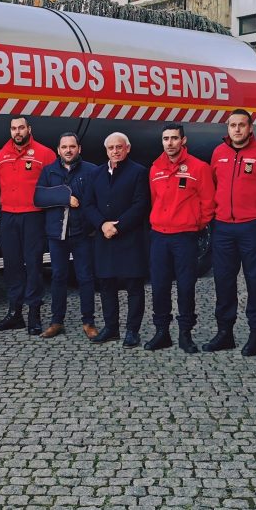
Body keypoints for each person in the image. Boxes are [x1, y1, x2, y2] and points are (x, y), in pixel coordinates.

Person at [205, 109, 256, 356]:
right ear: (227, 128)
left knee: (255, 281)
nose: (237, 129)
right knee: (224, 281)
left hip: (253, 227)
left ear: (251, 128)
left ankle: (255, 333)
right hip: (223, 228)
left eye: (242, 125)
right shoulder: (218, 153)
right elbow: (213, 185)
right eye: (233, 125)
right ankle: (225, 333)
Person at [146, 123, 215, 353]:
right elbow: (155, 200)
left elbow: (208, 203)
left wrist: (195, 224)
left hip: (185, 237)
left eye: (174, 138)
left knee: (186, 286)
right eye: (166, 139)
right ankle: (162, 332)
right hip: (159, 237)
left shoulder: (199, 168)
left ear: (183, 141)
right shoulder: (155, 168)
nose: (170, 143)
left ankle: (185, 333)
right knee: (159, 286)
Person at [83, 132, 150, 348]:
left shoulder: (139, 172)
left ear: (127, 148)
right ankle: (111, 328)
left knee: (134, 286)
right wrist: (102, 224)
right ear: (106, 150)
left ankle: (132, 330)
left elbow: (140, 205)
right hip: (104, 237)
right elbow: (88, 204)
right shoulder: (96, 173)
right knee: (106, 284)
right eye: (111, 148)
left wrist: (118, 226)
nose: (115, 151)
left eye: (119, 147)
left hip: (129, 237)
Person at [0, 116, 56, 334]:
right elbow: (0, 182)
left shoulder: (44, 153)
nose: (17, 132)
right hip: (9, 216)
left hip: (33, 217)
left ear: (29, 129)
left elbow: (52, 186)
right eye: (13, 128)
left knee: (34, 266)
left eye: (21, 128)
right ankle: (14, 313)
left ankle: (34, 315)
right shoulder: (2, 154)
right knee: (12, 265)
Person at [33, 133, 99, 339]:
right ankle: (56, 321)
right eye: (64, 147)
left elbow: (98, 198)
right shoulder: (49, 171)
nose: (68, 150)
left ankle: (88, 322)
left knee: (86, 278)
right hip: (56, 234)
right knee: (58, 277)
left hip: (82, 233)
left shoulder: (92, 170)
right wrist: (65, 197)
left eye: (72, 146)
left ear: (79, 148)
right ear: (58, 149)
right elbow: (39, 197)